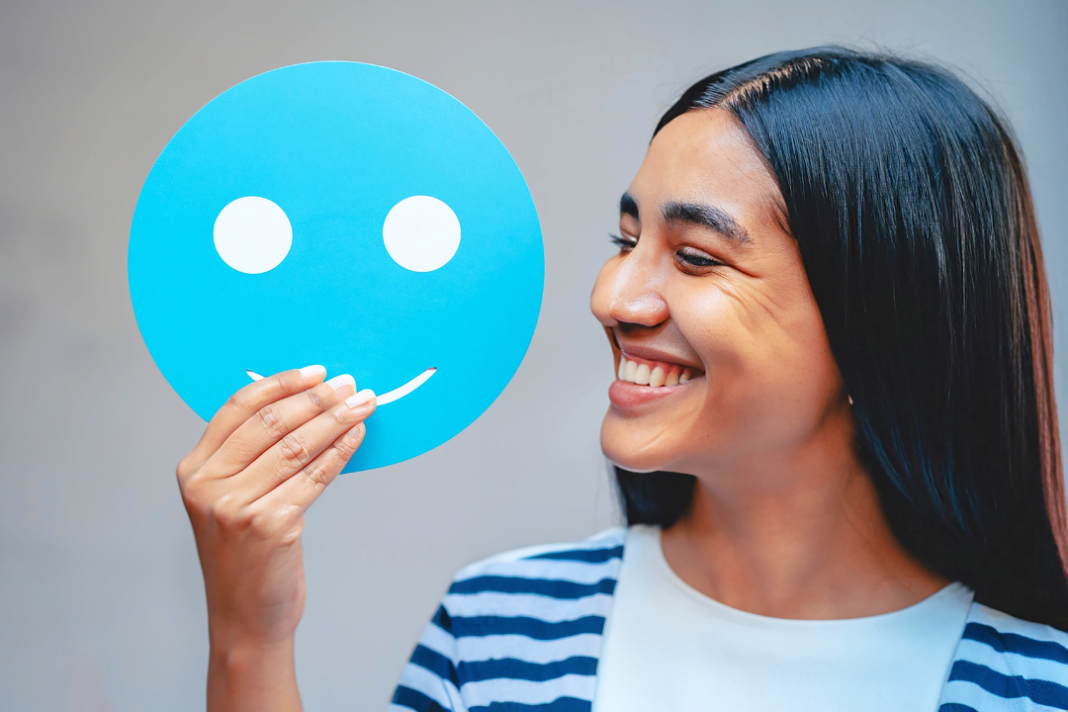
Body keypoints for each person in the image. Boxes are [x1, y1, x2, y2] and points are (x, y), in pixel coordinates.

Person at [176, 47, 1068, 711]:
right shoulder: (497, 630)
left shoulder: (1038, 687)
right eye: (624, 240)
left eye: (695, 255)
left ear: (884, 318)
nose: (614, 295)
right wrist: (250, 640)